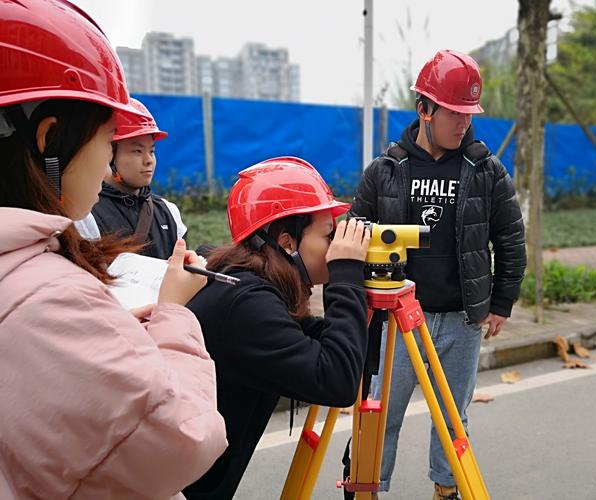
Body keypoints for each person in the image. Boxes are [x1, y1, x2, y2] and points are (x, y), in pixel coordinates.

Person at [0, 1, 226, 498]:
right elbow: (179, 439)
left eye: (151, 150)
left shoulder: (163, 212)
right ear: (50, 138)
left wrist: (114, 335)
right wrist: (171, 313)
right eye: (113, 143)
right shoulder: (48, 296)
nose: (114, 165)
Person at [350, 49, 526, 500]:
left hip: (463, 320)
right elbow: (351, 239)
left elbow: (510, 239)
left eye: (469, 113)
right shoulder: (386, 171)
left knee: (452, 416)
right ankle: (365, 487)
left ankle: (446, 490)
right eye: (454, 112)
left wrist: (501, 302)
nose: (463, 123)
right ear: (424, 109)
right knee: (381, 412)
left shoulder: (486, 171)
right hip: (399, 320)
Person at [183, 157, 371, 499]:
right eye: (329, 235)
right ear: (287, 242)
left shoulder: (249, 287)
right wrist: (346, 277)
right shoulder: (245, 305)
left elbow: (301, 334)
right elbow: (337, 380)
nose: (334, 247)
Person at [75, 97, 187, 259]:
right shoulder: (86, 215)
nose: (148, 160)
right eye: (137, 151)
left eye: (152, 151)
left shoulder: (168, 212)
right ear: (110, 155)